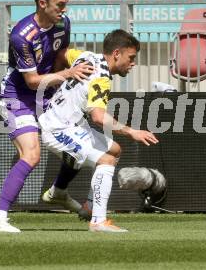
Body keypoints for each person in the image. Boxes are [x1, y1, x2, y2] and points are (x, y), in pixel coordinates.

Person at [0, 0, 94, 233]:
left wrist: (66, 79)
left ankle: (59, 191)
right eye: (60, 4)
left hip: (47, 93)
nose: (64, 9)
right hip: (17, 96)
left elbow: (59, 56)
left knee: (77, 146)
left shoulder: (62, 23)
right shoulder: (21, 36)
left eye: (66, 4)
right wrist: (69, 74)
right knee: (32, 155)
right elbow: (32, 81)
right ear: (42, 3)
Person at [39, 29, 159, 232]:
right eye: (131, 58)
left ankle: (89, 206)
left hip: (72, 124)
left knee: (115, 150)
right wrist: (132, 132)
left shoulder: (86, 56)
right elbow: (98, 117)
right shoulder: (101, 78)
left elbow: (61, 54)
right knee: (107, 160)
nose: (133, 63)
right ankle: (98, 221)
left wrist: (65, 77)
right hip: (58, 128)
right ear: (116, 53)